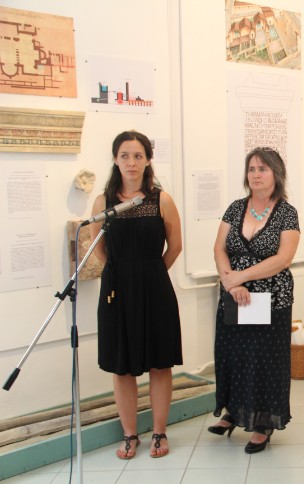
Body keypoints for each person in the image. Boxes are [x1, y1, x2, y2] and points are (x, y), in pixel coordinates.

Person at [90, 130, 183, 460]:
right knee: (122, 366)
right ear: (115, 159)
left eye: (138, 156)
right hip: (116, 290)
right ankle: (130, 434)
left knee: (160, 363)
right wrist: (123, 273)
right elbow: (99, 248)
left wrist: (151, 274)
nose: (131, 162)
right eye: (125, 155)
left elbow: (175, 246)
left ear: (147, 160)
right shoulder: (103, 202)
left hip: (155, 288)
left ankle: (159, 431)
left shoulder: (161, 200)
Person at [207, 147, 300, 454]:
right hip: (235, 296)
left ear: (276, 174)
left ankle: (263, 423)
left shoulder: (287, 213)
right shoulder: (235, 208)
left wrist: (240, 277)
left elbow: (283, 259)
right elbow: (219, 248)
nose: (256, 175)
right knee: (234, 356)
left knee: (265, 361)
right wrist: (230, 282)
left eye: (263, 169)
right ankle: (234, 412)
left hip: (271, 300)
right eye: (251, 169)